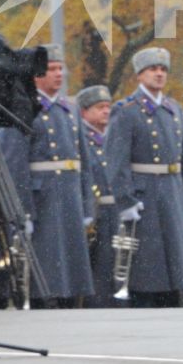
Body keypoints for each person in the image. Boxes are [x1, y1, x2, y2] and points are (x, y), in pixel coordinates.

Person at [104, 47, 183, 308]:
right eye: (152, 69)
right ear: (139, 75)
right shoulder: (126, 110)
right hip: (145, 196)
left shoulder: (173, 108)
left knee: (175, 263)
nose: (159, 74)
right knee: (149, 266)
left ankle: (171, 303)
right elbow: (116, 161)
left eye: (163, 69)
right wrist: (125, 200)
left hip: (172, 189)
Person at [0, 55, 95, 308]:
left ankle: (69, 302)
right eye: (51, 69)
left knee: (71, 263)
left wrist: (87, 203)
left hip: (69, 194)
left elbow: (83, 160)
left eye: (60, 68)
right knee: (48, 262)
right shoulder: (22, 108)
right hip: (42, 197)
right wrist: (22, 211)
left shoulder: (69, 108)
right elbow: (15, 164)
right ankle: (47, 302)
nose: (58, 74)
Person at [77, 86, 120, 306]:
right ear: (84, 112)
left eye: (107, 106)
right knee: (100, 269)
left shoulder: (112, 136)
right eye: (99, 107)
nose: (106, 111)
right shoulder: (81, 137)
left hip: (116, 211)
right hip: (97, 213)